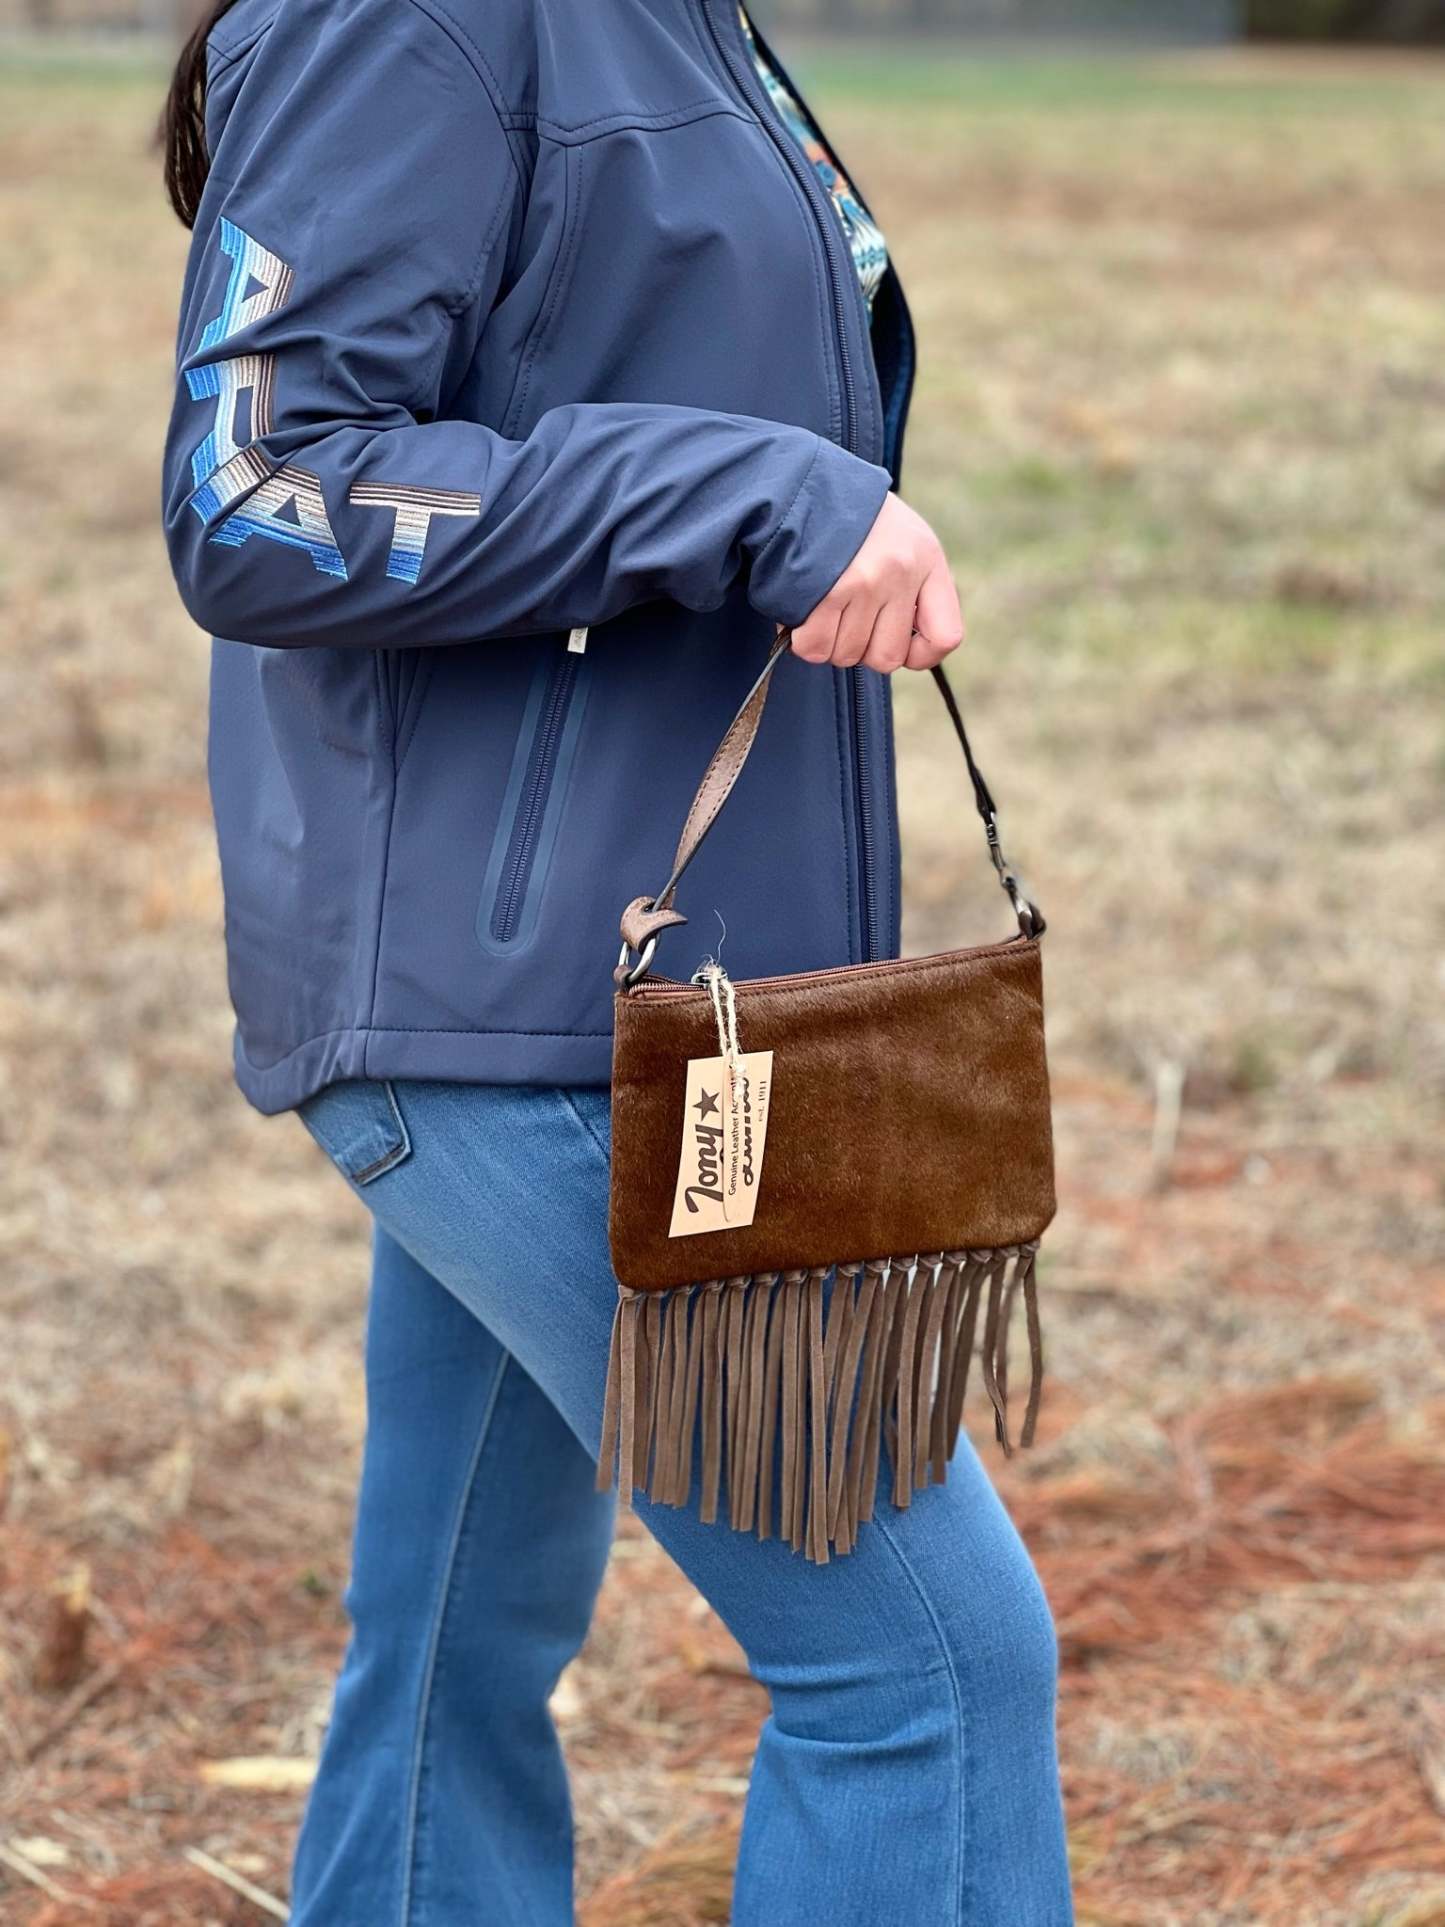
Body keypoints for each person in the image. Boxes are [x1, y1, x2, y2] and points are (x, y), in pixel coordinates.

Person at [159, 0, 1072, 1918]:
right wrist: (754, 495)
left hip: (627, 1001)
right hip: (520, 1019)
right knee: (922, 1668)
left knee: (454, 1633)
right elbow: (257, 494)